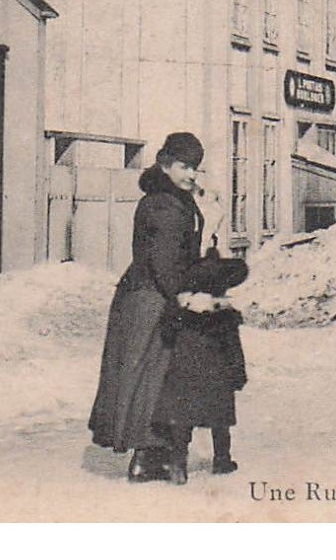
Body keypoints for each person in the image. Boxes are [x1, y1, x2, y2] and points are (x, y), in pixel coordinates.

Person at [88, 131, 207, 484]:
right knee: (158, 378)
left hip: (149, 295)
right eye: (185, 166)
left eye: (196, 168)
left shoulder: (169, 199)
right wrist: (184, 298)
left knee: (155, 379)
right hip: (153, 299)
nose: (192, 174)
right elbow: (165, 261)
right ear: (165, 163)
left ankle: (147, 458)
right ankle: (151, 457)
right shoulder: (164, 205)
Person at [154, 238, 250, 480]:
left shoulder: (180, 311)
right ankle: (222, 460)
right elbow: (233, 348)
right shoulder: (225, 315)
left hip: (185, 371)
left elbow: (166, 334)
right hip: (217, 375)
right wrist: (238, 374)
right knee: (221, 421)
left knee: (182, 421)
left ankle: (178, 464)